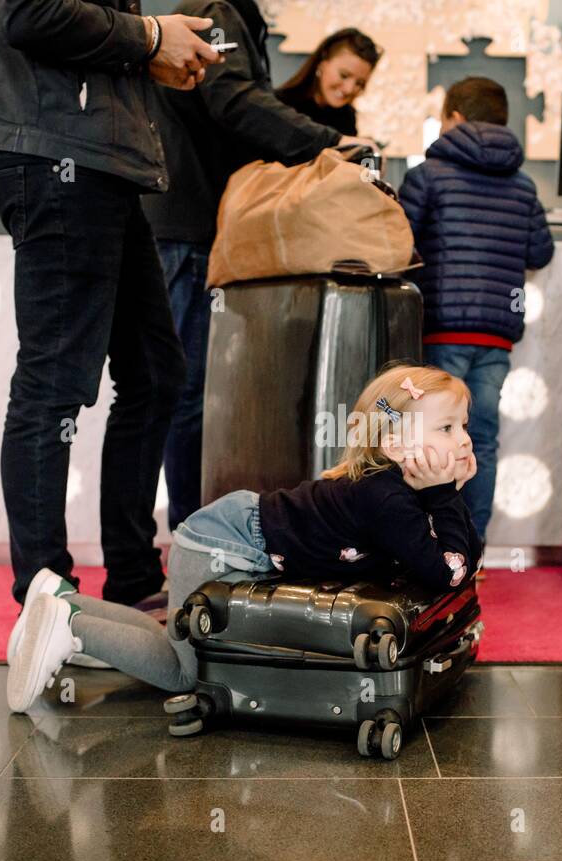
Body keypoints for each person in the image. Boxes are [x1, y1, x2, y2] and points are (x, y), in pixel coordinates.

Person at [0, 1, 222, 618]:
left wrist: (143, 56)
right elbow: (30, 13)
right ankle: (48, 600)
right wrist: (151, 36)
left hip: (93, 159)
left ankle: (130, 575)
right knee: (53, 382)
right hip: (55, 156)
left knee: (155, 375)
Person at [5, 364, 483, 712]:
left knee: (175, 631)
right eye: (446, 427)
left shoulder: (395, 487)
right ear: (395, 444)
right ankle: (70, 626)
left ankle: (59, 598)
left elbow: (464, 563)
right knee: (183, 670)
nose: (463, 439)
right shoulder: (389, 500)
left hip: (230, 529)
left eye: (462, 425)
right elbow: (446, 572)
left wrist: (445, 495)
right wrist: (446, 495)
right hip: (224, 543)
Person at [143, 0, 377, 536]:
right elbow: (234, 101)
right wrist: (329, 142)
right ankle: (185, 536)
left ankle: (186, 533)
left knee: (184, 394)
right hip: (188, 224)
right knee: (179, 393)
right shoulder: (217, 11)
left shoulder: (235, 18)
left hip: (201, 229)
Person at [398, 77, 554, 544]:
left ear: (455, 119)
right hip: (496, 335)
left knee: (429, 435)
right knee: (478, 440)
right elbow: (540, 253)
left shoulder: (427, 175)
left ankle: (429, 545)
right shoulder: (523, 185)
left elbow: (398, 244)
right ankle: (471, 549)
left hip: (441, 330)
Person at [274, 28, 381, 136]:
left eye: (359, 83)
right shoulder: (280, 106)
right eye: (344, 75)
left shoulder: (347, 117)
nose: (349, 89)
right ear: (322, 63)